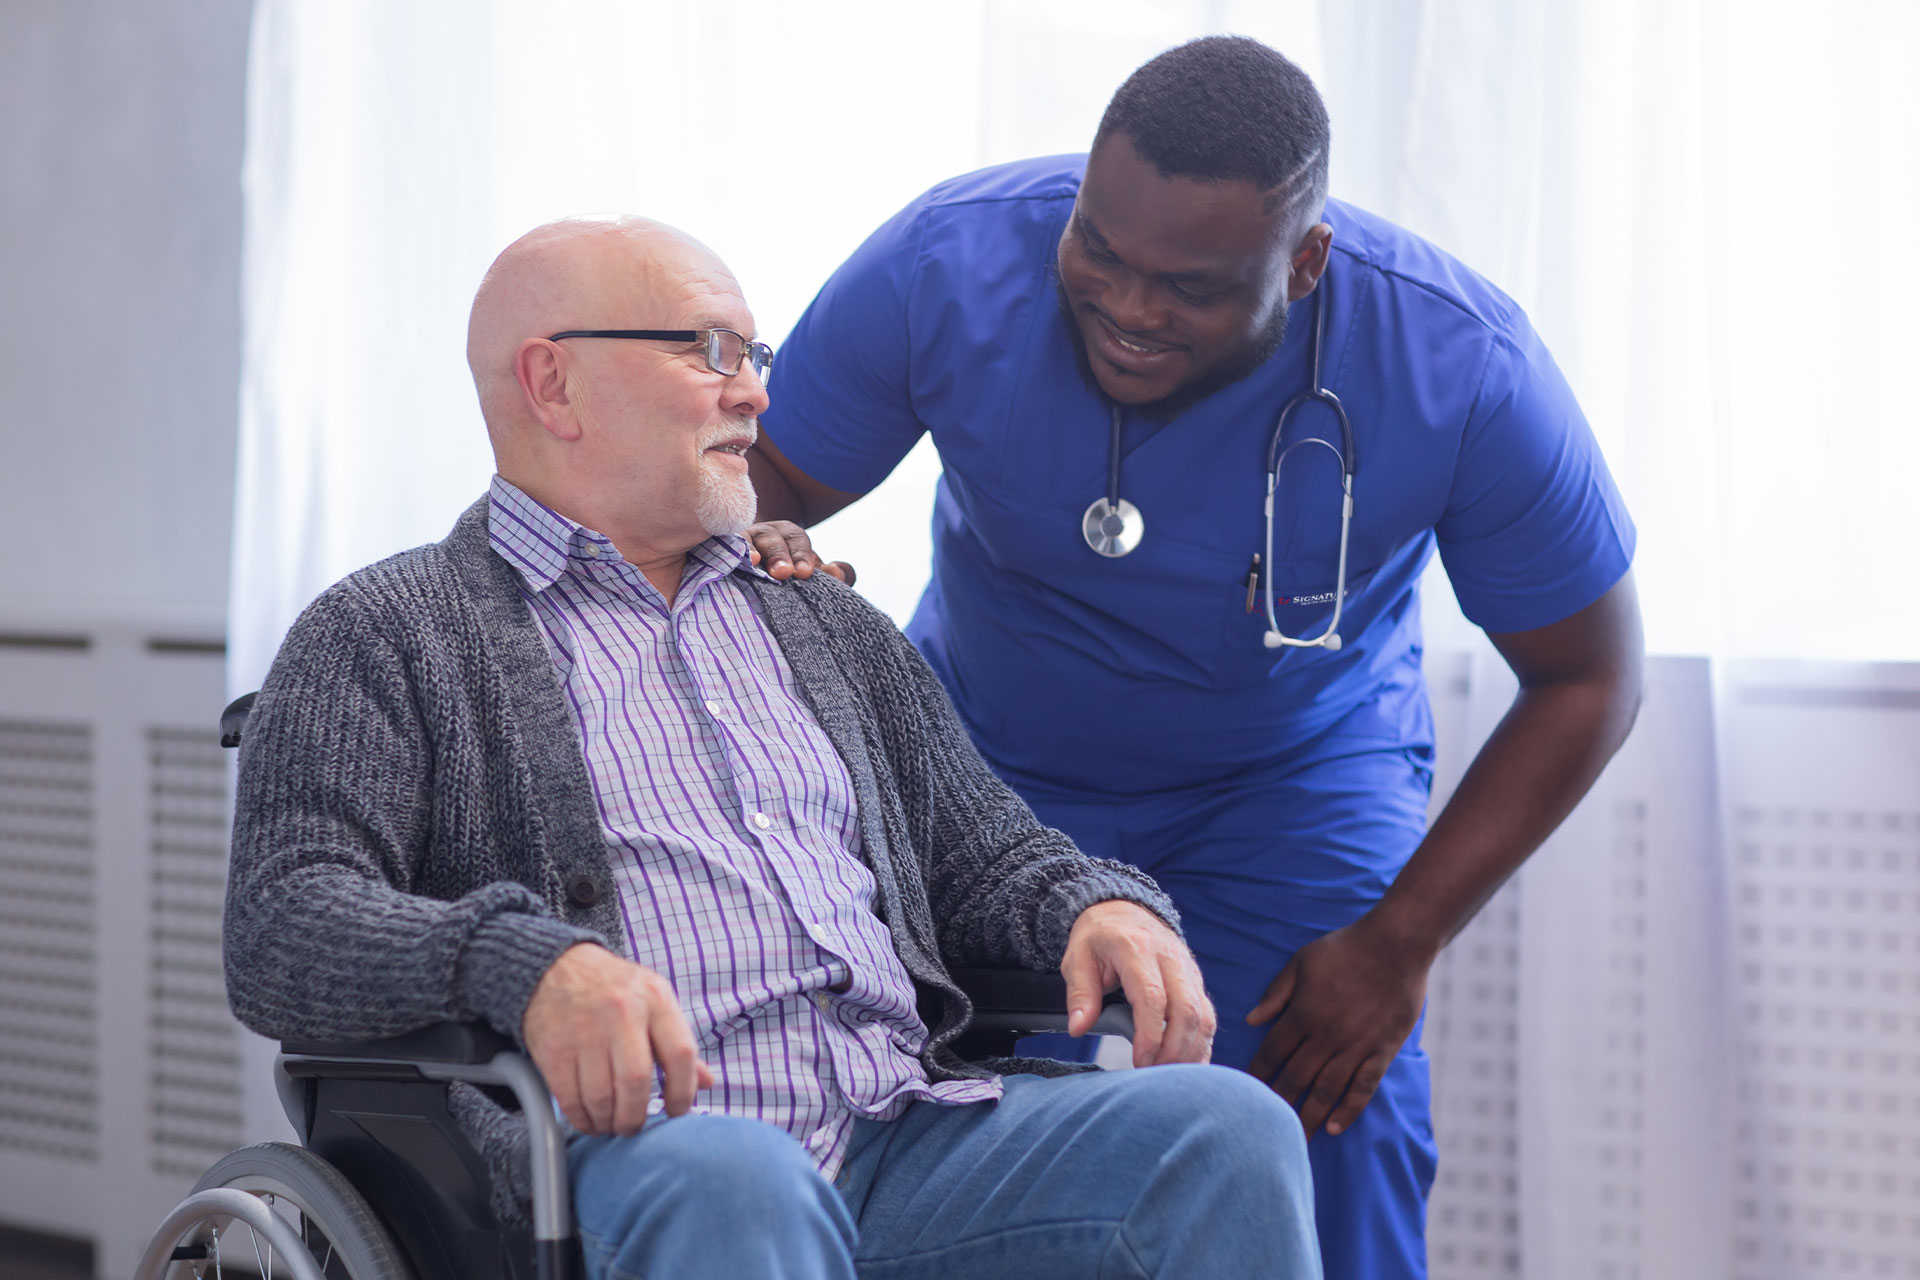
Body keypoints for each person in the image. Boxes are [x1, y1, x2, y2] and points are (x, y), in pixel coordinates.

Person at [223, 215, 1321, 1280]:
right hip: (628, 1159)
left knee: (1224, 1127)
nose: (755, 389)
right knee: (741, 1178)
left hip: (906, 1133)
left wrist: (1096, 904)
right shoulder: (384, 628)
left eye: (755, 353)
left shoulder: (825, 620)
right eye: (710, 350)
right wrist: (529, 961)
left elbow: (987, 856)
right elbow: (282, 918)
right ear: (554, 382)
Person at [744, 35, 1644, 1280]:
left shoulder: (1460, 361)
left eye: (1193, 287)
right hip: (987, 767)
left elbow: (1590, 673)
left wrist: (1399, 942)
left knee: (1331, 1100)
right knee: (970, 1110)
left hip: (1287, 779)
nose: (1128, 306)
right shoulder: (947, 260)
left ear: (1307, 260)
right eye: (1099, 251)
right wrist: (761, 538)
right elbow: (766, 471)